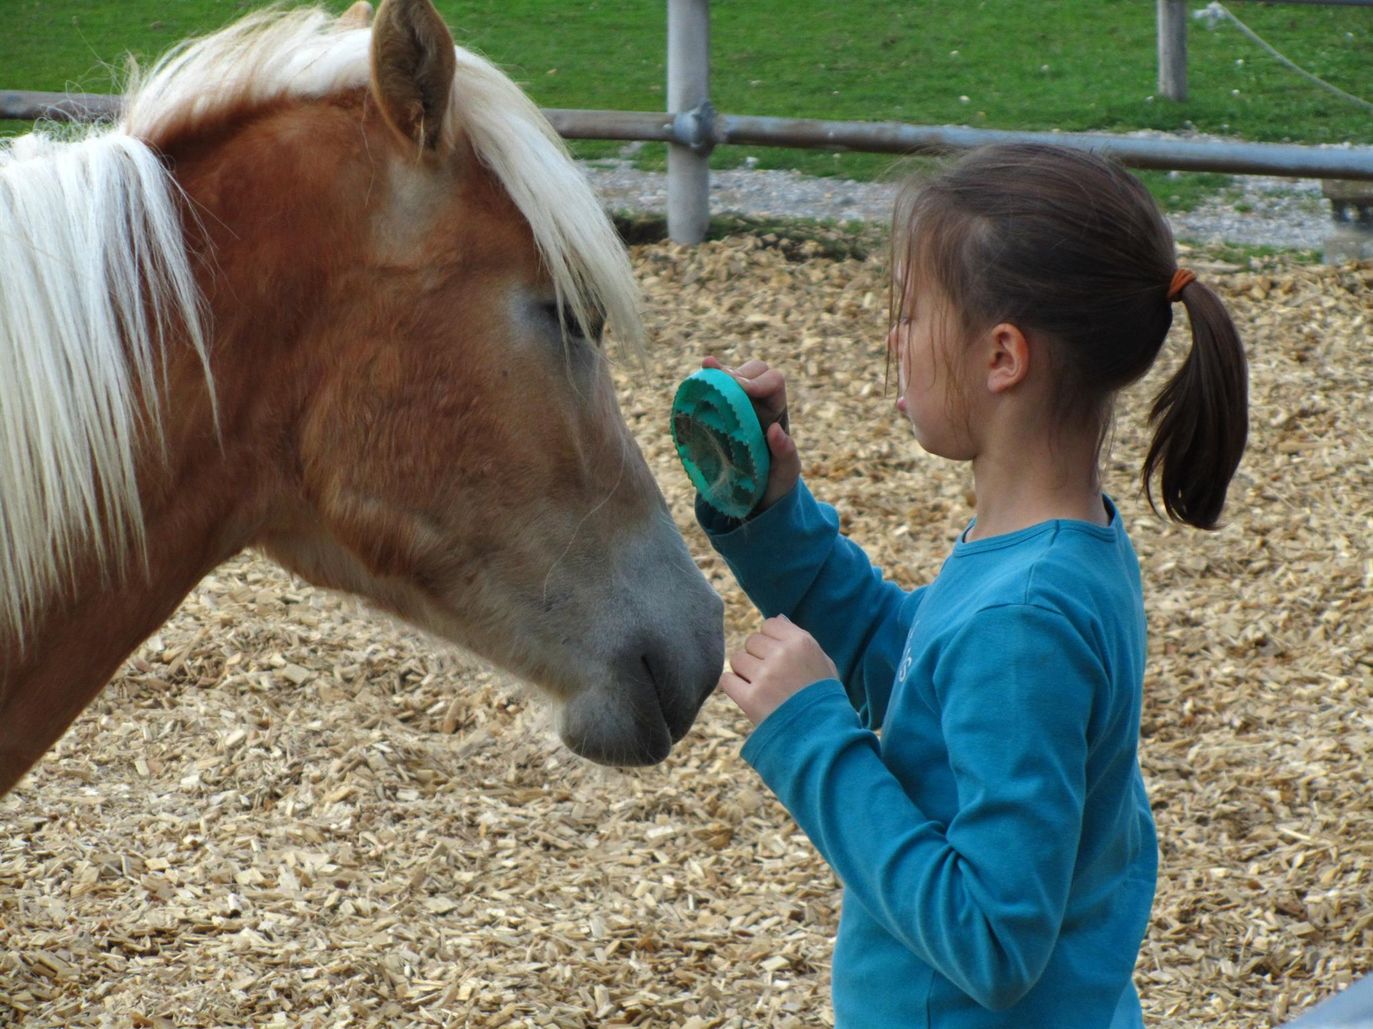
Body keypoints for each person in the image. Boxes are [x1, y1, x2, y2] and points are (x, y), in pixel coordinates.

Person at [696, 143, 1248, 1027]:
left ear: (1001, 356)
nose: (893, 338)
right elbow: (910, 664)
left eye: (912, 314)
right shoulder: (1054, 553)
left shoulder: (1023, 619)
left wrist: (813, 738)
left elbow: (992, 938)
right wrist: (773, 517)